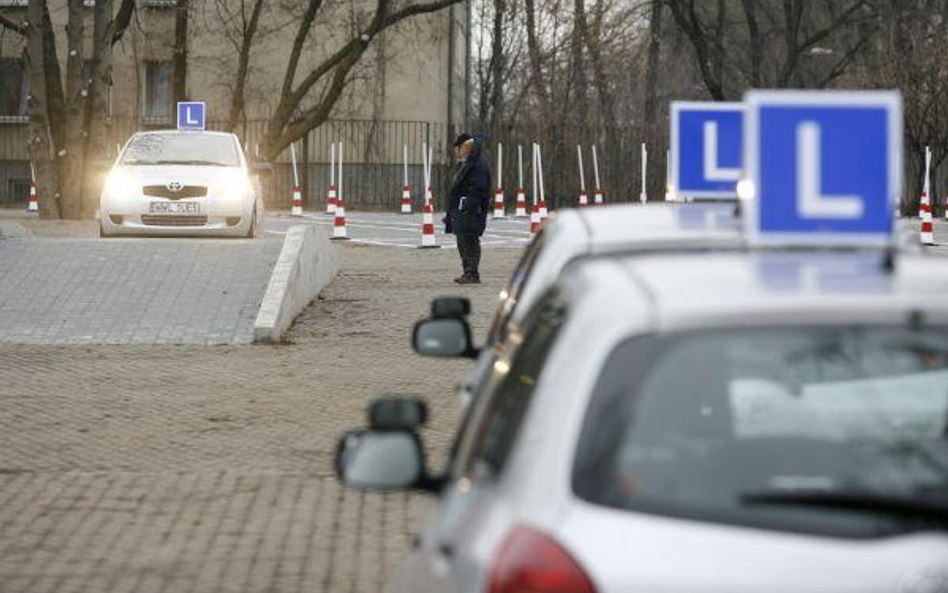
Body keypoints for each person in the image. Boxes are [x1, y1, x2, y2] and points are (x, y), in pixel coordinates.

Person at [445, 133, 492, 284]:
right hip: (462, 209)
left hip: (470, 209)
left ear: (467, 146)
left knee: (469, 241)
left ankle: (472, 273)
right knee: (462, 240)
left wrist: (467, 205)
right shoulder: (467, 162)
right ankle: (468, 272)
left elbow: (479, 188)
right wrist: (452, 212)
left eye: (459, 147)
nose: (458, 151)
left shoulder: (477, 163)